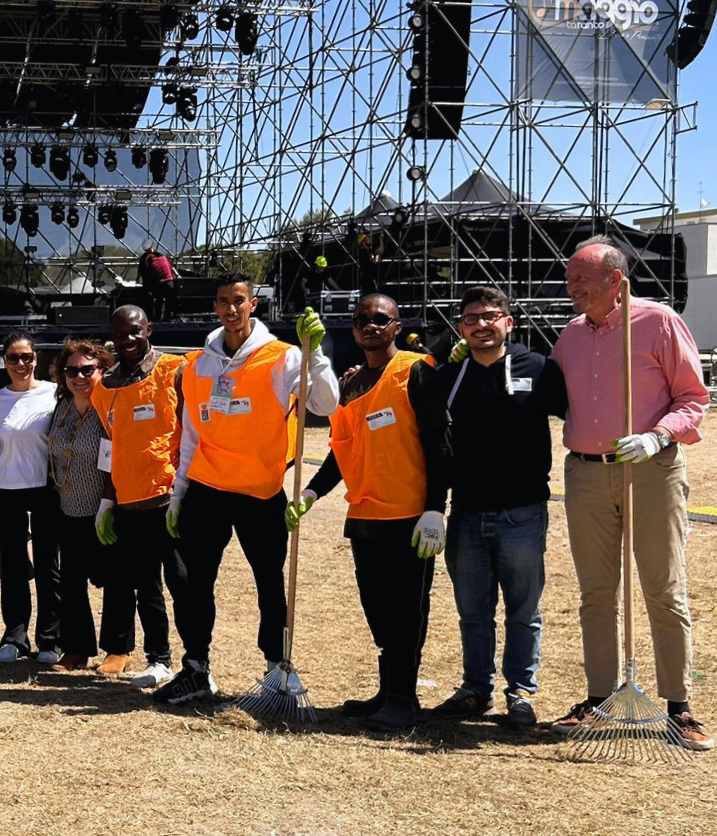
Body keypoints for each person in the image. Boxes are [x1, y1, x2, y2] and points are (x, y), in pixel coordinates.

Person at [547, 237, 713, 750]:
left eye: (581, 278)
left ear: (614, 280)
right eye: (570, 278)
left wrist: (658, 435)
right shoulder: (570, 335)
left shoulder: (658, 322)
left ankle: (679, 706)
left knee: (663, 588)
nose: (571, 287)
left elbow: (694, 397)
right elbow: (544, 391)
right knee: (596, 593)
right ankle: (599, 698)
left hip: (650, 469)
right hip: (586, 473)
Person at [159, 273, 337, 704]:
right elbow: (191, 435)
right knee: (195, 584)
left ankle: (277, 669)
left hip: (261, 492)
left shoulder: (283, 357)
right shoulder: (197, 365)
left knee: (270, 585)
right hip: (207, 489)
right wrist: (179, 492)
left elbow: (326, 403)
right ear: (215, 307)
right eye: (223, 301)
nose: (231, 309)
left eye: (239, 300)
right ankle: (196, 669)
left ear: (253, 304)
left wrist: (316, 355)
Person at [291, 293, 447, 733]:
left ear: (397, 326)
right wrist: (312, 491)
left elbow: (439, 444)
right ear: (354, 329)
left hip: (408, 516)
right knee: (377, 610)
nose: (371, 325)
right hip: (364, 517)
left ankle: (402, 699)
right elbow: (343, 450)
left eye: (381, 318)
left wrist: (435, 509)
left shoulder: (416, 370)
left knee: (406, 611)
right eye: (362, 320)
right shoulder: (352, 384)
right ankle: (388, 689)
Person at [426, 286, 567, 728]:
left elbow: (580, 413)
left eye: (490, 316)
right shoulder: (450, 378)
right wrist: (434, 507)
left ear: (508, 321)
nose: (481, 325)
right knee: (473, 612)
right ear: (461, 328)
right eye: (471, 319)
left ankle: (520, 692)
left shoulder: (539, 368)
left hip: (522, 513)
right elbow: (435, 444)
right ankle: (475, 690)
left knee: (523, 611)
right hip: (466, 514)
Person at [90, 304, 183, 688]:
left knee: (184, 584)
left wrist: (186, 490)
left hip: (170, 499)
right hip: (130, 504)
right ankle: (159, 659)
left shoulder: (175, 371)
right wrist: (107, 500)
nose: (127, 340)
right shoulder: (105, 387)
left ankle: (198, 662)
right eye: (119, 334)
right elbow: (109, 446)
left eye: (134, 331)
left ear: (149, 330)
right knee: (147, 587)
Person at [45, 338, 126, 673]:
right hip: (68, 509)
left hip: (105, 507)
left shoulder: (110, 405)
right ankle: (76, 649)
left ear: (102, 370)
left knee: (117, 580)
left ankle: (118, 650)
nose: (79, 377)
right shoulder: (61, 408)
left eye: (87, 369)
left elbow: (115, 457)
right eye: (71, 370)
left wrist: (109, 503)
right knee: (72, 582)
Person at [0, 331, 62, 663]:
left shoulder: (53, 394)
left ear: (36, 359)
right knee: (13, 567)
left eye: (27, 357)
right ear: (5, 362)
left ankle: (51, 639)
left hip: (45, 489)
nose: (21, 364)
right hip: (7, 491)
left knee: (48, 566)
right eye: (13, 358)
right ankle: (15, 637)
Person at [139, 245, 178, 322]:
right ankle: (167, 319)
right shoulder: (164, 258)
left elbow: (152, 278)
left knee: (158, 301)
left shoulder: (152, 264)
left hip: (161, 283)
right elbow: (171, 269)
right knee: (168, 301)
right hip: (170, 283)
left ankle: (157, 319)